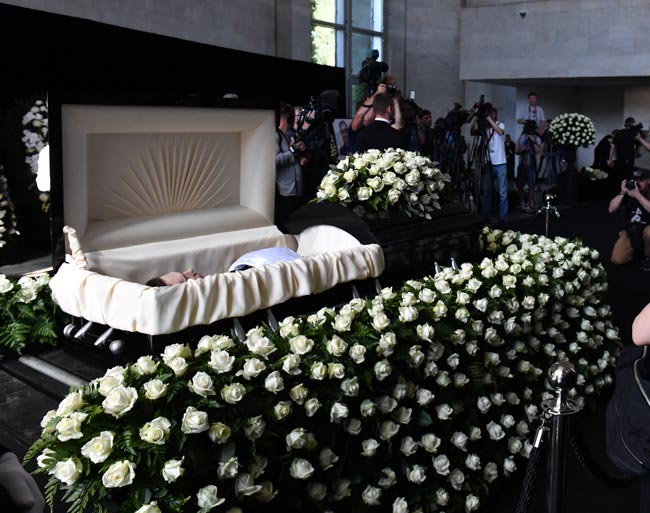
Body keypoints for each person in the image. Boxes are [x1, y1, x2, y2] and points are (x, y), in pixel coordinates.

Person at [608, 167, 650, 269]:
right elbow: (611, 209)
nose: (637, 183)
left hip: (647, 228)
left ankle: (647, 256)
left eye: (641, 180)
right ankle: (637, 251)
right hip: (630, 229)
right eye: (635, 180)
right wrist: (622, 192)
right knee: (617, 259)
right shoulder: (629, 190)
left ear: (648, 181)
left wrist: (637, 195)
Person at [472, 107, 508, 222]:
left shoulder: (500, 124)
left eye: (492, 113)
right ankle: (486, 215)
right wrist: (475, 118)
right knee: (487, 191)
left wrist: (489, 119)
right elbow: (472, 132)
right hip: (487, 162)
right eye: (489, 113)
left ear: (496, 114)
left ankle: (503, 216)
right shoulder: (484, 128)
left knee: (503, 192)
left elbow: (500, 132)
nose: (490, 115)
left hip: (500, 162)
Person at [275, 102, 306, 230]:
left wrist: (298, 155)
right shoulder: (276, 135)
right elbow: (274, 159)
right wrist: (293, 151)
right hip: (286, 190)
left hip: (294, 189)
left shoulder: (285, 135)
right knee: (286, 224)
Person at [516, 124, 542, 211]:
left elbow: (539, 151)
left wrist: (534, 142)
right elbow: (516, 151)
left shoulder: (537, 138)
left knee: (532, 185)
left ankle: (529, 203)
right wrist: (522, 149)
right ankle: (523, 203)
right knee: (520, 185)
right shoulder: (521, 138)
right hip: (522, 164)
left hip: (532, 165)